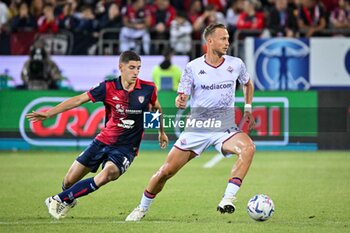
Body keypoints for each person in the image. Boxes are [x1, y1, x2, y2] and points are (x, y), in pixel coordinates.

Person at [125, 23, 256, 221]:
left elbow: (247, 83)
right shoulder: (193, 67)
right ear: (209, 41)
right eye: (223, 39)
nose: (227, 43)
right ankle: (141, 208)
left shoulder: (236, 64)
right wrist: (180, 100)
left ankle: (228, 198)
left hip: (225, 128)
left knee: (248, 148)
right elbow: (182, 96)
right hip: (198, 129)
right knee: (165, 172)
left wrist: (247, 108)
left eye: (228, 39)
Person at [26, 51, 168, 220]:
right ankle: (67, 198)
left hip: (126, 148)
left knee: (108, 174)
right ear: (120, 67)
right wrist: (49, 113)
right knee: (69, 182)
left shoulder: (148, 88)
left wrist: (161, 132)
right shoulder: (107, 87)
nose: (136, 72)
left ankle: (58, 200)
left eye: (138, 68)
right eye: (132, 68)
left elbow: (157, 108)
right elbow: (78, 100)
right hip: (102, 141)